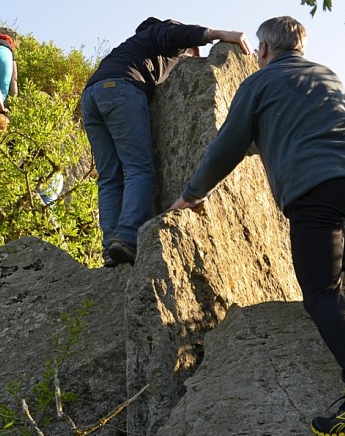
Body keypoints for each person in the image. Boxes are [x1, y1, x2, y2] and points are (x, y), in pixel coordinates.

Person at [169, 15, 345, 436]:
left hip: (317, 190)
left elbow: (228, 146)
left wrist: (193, 192)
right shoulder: (325, 75)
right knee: (342, 201)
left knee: (319, 295)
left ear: (263, 50)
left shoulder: (258, 84)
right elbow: (302, 132)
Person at [81, 17, 250, 268]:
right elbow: (175, 34)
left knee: (109, 176)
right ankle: (127, 238)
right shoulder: (160, 34)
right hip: (122, 89)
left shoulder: (134, 48)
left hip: (91, 97)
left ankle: (111, 246)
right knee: (139, 168)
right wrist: (220, 34)